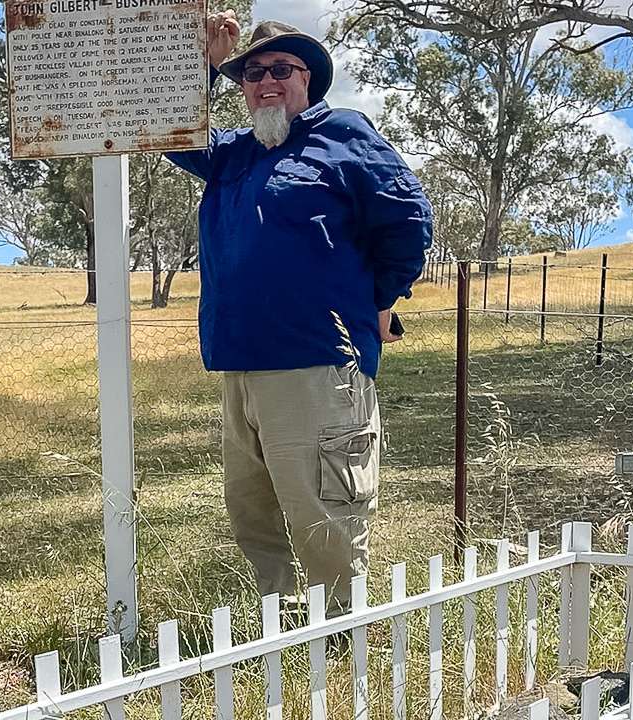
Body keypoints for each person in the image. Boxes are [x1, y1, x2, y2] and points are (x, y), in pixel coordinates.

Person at [164, 12, 433, 615]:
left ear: (307, 78)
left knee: (324, 517)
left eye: (280, 68)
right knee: (252, 510)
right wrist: (205, 66)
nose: (265, 81)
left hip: (318, 364)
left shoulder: (343, 134)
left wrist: (381, 302)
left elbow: (409, 221)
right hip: (239, 367)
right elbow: (174, 133)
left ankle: (342, 641)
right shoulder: (234, 154)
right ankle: (279, 626)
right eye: (251, 72)